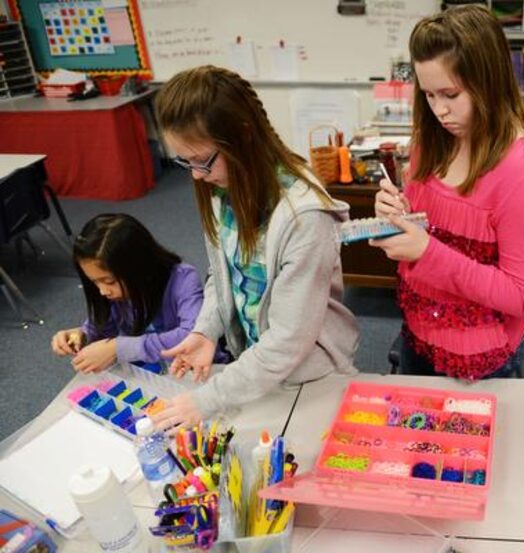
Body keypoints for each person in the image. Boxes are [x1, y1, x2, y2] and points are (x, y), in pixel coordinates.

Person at [150, 66, 359, 429]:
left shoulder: (305, 217)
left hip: (308, 377)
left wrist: (206, 400)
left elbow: (287, 342)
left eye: (201, 160)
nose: (195, 175)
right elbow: (223, 273)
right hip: (255, 370)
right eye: (184, 161)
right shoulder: (220, 187)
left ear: (243, 136)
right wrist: (205, 330)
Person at [372, 5, 524, 380]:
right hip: (418, 330)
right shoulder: (434, 139)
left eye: (451, 94)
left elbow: (522, 295)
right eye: (428, 95)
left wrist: (427, 251)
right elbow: (428, 221)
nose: (439, 111)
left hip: (480, 358)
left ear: (489, 81)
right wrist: (397, 212)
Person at [51, 213, 205, 374]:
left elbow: (193, 336)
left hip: (193, 371)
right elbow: (104, 326)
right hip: (147, 373)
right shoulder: (116, 293)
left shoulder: (183, 279)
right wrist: (83, 334)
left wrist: (118, 347)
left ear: (138, 266)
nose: (103, 291)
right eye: (94, 282)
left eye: (109, 281)